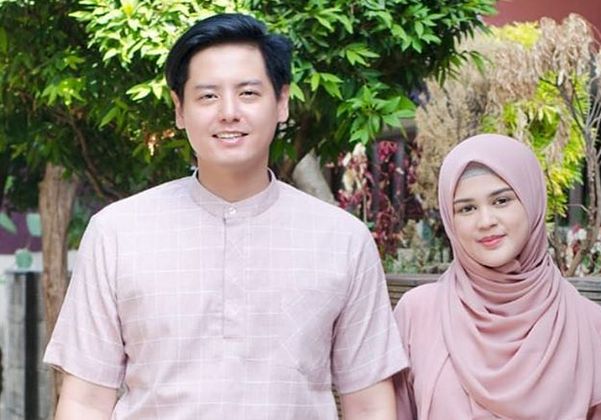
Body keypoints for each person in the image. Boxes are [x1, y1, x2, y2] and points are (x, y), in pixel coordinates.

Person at [44, 13, 407, 419]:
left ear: (282, 102)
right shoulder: (117, 233)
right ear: (179, 109)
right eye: (208, 96)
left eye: (248, 93)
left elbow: (369, 403)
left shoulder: (343, 239)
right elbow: (85, 401)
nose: (229, 112)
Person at [393, 134, 601, 419]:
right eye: (467, 208)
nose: (486, 221)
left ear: (532, 201)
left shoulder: (593, 327)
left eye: (502, 201)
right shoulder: (418, 315)